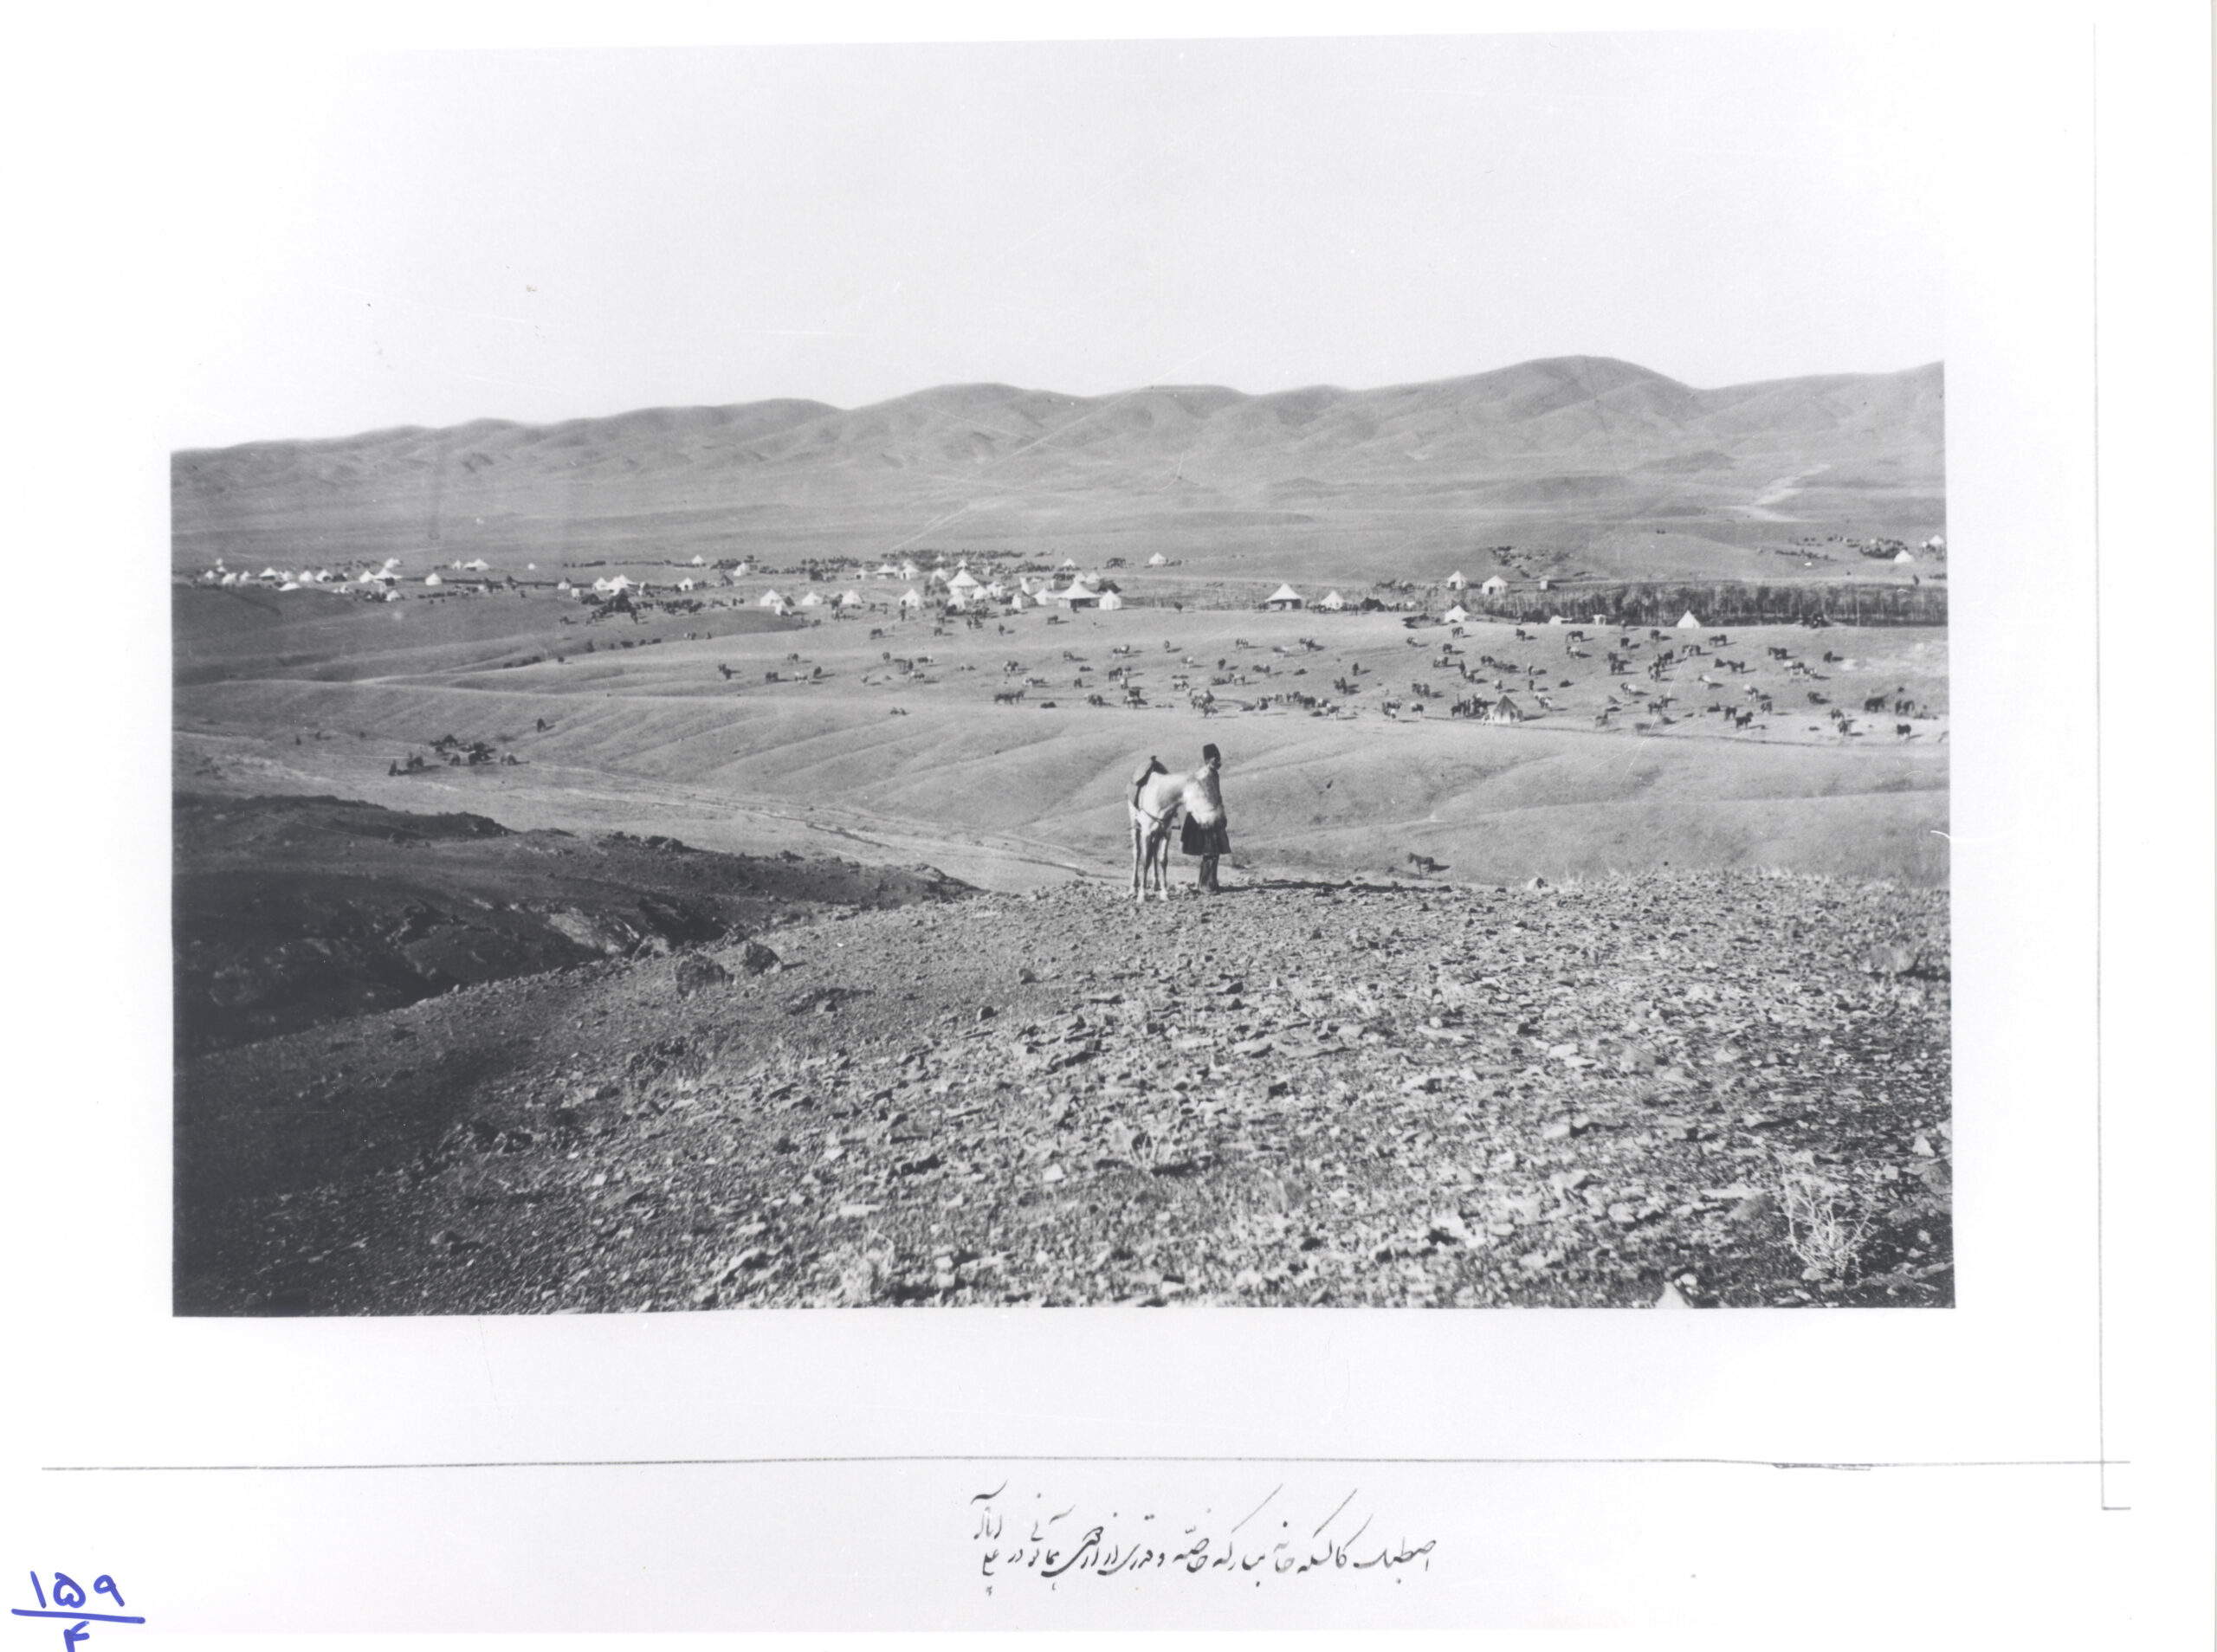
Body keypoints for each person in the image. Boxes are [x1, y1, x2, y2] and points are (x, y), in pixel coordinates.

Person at [1180, 743, 1231, 893]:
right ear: (1208, 759)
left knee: (1215, 851)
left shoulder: (1213, 774)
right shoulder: (1203, 775)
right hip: (1204, 818)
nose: (1218, 760)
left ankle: (1211, 882)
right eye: (1215, 757)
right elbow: (1194, 794)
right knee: (1209, 851)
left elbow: (1217, 797)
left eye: (1218, 757)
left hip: (1213, 817)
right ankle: (1205, 885)